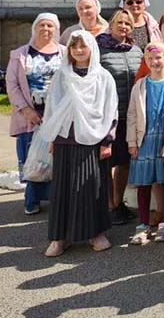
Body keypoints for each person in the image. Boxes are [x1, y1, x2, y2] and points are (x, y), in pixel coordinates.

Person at [33, 30, 117, 257]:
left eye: (83, 46)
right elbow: (52, 108)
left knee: (89, 187)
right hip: (64, 139)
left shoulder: (102, 77)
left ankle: (94, 234)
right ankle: (59, 238)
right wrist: (52, 138)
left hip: (91, 138)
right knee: (62, 190)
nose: (79, 51)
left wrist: (107, 140)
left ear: (92, 48)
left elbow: (110, 110)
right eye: (74, 47)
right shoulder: (62, 76)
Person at [7, 13, 65, 215]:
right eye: (42, 25)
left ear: (56, 30)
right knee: (31, 157)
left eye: (50, 25)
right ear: (34, 28)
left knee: (55, 158)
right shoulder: (20, 54)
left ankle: (55, 198)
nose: (46, 29)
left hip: (58, 115)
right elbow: (12, 84)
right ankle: (31, 199)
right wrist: (25, 110)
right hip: (29, 116)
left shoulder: (65, 53)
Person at [126, 42, 164, 245]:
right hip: (145, 138)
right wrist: (132, 142)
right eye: (150, 59)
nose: (155, 62)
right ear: (145, 62)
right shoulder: (139, 86)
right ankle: (143, 225)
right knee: (144, 182)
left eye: (158, 57)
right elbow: (132, 115)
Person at [97, 10, 144, 225]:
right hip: (107, 116)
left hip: (128, 115)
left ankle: (118, 201)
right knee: (106, 162)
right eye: (120, 22)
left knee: (124, 161)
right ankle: (108, 205)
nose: (123, 26)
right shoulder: (99, 48)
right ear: (111, 24)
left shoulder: (136, 50)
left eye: (127, 23)